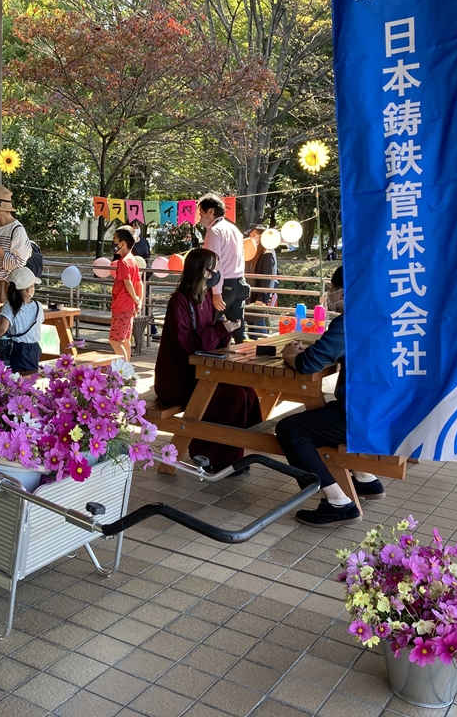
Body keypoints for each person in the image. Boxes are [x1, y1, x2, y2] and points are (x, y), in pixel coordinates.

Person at [274, 267, 385, 528]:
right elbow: (329, 351)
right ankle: (366, 479)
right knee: (325, 416)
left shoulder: (351, 322)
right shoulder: (381, 315)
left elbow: (308, 363)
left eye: (332, 289)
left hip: (363, 417)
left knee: (291, 429)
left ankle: (338, 503)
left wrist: (289, 355)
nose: (329, 295)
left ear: (344, 291)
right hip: (387, 411)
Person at [154, 248, 261, 472]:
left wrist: (226, 329)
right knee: (234, 397)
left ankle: (235, 447)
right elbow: (185, 344)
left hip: (200, 371)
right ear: (203, 271)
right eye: (214, 267)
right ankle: (217, 460)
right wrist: (221, 329)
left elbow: (210, 333)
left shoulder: (204, 299)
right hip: (179, 378)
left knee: (247, 390)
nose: (217, 272)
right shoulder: (179, 301)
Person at [200, 193, 248, 343]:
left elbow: (214, 264)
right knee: (238, 328)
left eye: (201, 213)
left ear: (210, 212)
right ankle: (248, 359)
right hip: (239, 282)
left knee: (206, 322)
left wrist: (216, 291)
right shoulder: (234, 229)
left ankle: (205, 357)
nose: (200, 217)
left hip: (223, 284)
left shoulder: (214, 231)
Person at [0, 267, 44, 373]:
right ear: (28, 289)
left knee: (15, 379)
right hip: (34, 348)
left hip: (17, 348)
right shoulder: (38, 306)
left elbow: (3, 328)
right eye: (33, 286)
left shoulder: (10, 306)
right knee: (30, 377)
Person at [109, 226, 143, 362]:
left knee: (115, 340)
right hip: (128, 306)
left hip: (122, 305)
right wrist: (139, 301)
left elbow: (128, 283)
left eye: (115, 240)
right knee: (125, 340)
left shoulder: (123, 262)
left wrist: (136, 299)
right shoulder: (132, 259)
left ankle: (123, 371)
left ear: (122, 243)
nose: (113, 243)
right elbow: (139, 283)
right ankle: (127, 371)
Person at [244, 225, 279, 337]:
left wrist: (261, 297)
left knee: (258, 324)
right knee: (251, 325)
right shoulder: (250, 253)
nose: (251, 237)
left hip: (258, 296)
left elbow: (267, 278)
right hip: (248, 295)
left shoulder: (266, 254)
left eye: (254, 235)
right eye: (250, 235)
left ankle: (262, 347)